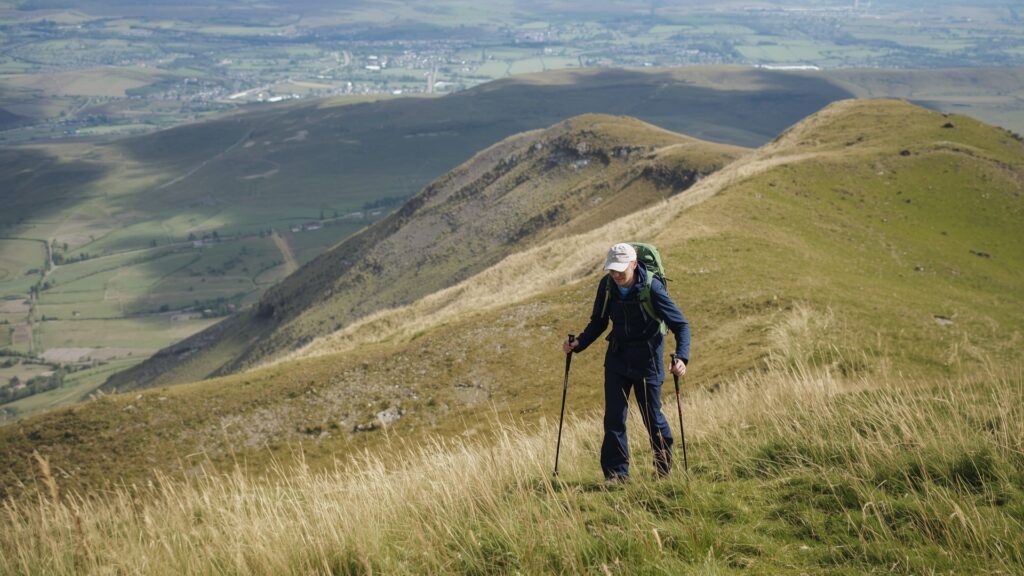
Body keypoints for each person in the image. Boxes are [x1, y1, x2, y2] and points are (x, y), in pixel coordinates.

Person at [563, 242, 690, 481]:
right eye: (612, 269)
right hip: (617, 358)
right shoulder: (607, 285)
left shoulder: (652, 288)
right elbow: (599, 322)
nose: (616, 274)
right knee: (614, 418)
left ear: (634, 264)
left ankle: (663, 470)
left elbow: (681, 324)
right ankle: (616, 475)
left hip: (648, 360)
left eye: (621, 269)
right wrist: (579, 343)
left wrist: (681, 358)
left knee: (652, 417)